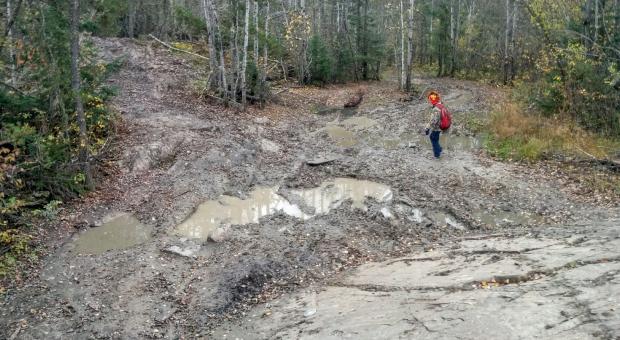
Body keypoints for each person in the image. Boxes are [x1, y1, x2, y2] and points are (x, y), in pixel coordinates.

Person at [425, 91, 445, 159]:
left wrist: (427, 128)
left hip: (437, 127)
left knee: (433, 138)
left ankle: (437, 154)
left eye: (430, 100)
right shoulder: (440, 105)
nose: (429, 101)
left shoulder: (436, 108)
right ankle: (439, 149)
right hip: (440, 126)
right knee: (435, 139)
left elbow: (434, 121)